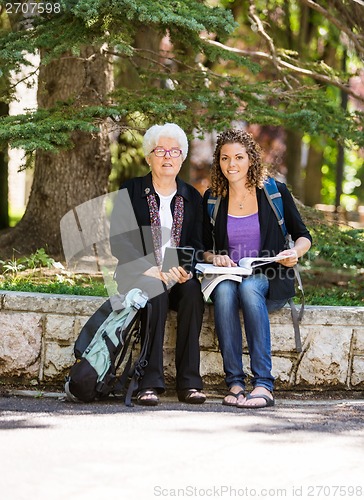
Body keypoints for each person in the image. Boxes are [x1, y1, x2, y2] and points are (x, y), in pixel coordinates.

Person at [202, 129, 312, 409]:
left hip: (270, 277)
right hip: (229, 277)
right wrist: (215, 257)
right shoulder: (213, 198)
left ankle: (263, 384)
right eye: (225, 158)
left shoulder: (274, 192)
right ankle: (236, 383)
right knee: (225, 292)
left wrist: (293, 253)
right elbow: (202, 246)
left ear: (251, 159)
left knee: (251, 287)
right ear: (219, 162)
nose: (232, 165)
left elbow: (303, 236)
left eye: (239, 157)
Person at [110, 123, 206, 406]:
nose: (167, 157)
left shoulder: (192, 197)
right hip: (138, 274)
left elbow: (199, 246)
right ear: (148, 157)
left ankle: (189, 383)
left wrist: (186, 270)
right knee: (154, 289)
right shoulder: (130, 190)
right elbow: (118, 241)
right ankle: (148, 382)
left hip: (176, 275)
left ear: (182, 158)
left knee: (192, 295)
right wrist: (147, 267)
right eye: (160, 150)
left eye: (174, 151)